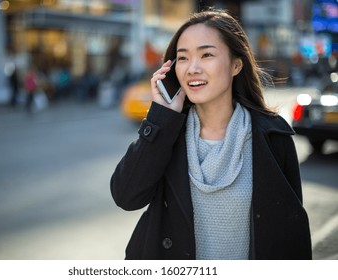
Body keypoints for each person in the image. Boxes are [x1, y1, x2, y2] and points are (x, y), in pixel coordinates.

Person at [110, 8, 312, 260]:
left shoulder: (273, 137)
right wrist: (161, 117)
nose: (192, 68)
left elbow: (290, 233)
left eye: (206, 54)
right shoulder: (167, 134)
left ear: (236, 65)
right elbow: (126, 196)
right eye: (182, 58)